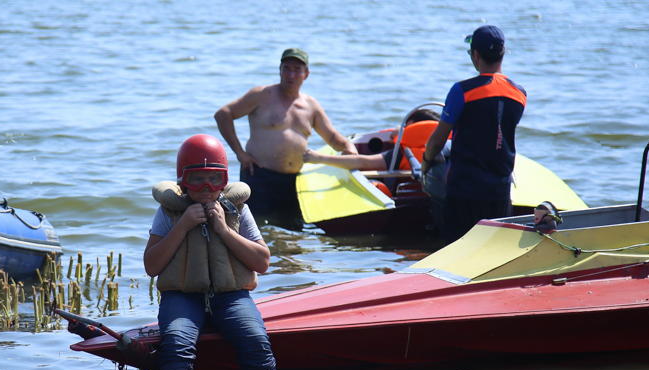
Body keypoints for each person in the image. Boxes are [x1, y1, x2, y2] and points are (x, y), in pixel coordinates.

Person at [143, 134, 276, 370]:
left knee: (256, 340)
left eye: (215, 179)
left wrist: (224, 230)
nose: (207, 187)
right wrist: (182, 225)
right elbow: (151, 266)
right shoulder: (169, 212)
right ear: (183, 182)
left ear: (224, 180)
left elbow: (262, 262)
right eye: (197, 179)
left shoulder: (238, 209)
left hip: (231, 296)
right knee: (176, 343)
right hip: (182, 297)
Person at [214, 48, 357, 218]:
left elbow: (333, 137)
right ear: (280, 70)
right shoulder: (262, 95)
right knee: (257, 228)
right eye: (287, 68)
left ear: (306, 74)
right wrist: (240, 153)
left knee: (293, 231)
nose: (291, 75)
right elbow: (223, 114)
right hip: (259, 177)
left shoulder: (311, 105)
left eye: (297, 70)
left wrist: (348, 146)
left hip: (295, 182)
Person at [421, 25, 527, 244]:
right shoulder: (519, 93)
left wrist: (425, 162)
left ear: (476, 55)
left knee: (457, 255)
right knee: (491, 256)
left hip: (463, 192)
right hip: (499, 191)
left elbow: (437, 141)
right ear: (503, 52)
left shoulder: (462, 91)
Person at [302, 109, 441, 171]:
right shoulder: (447, 149)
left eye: (406, 126)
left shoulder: (403, 154)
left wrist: (319, 158)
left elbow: (363, 163)